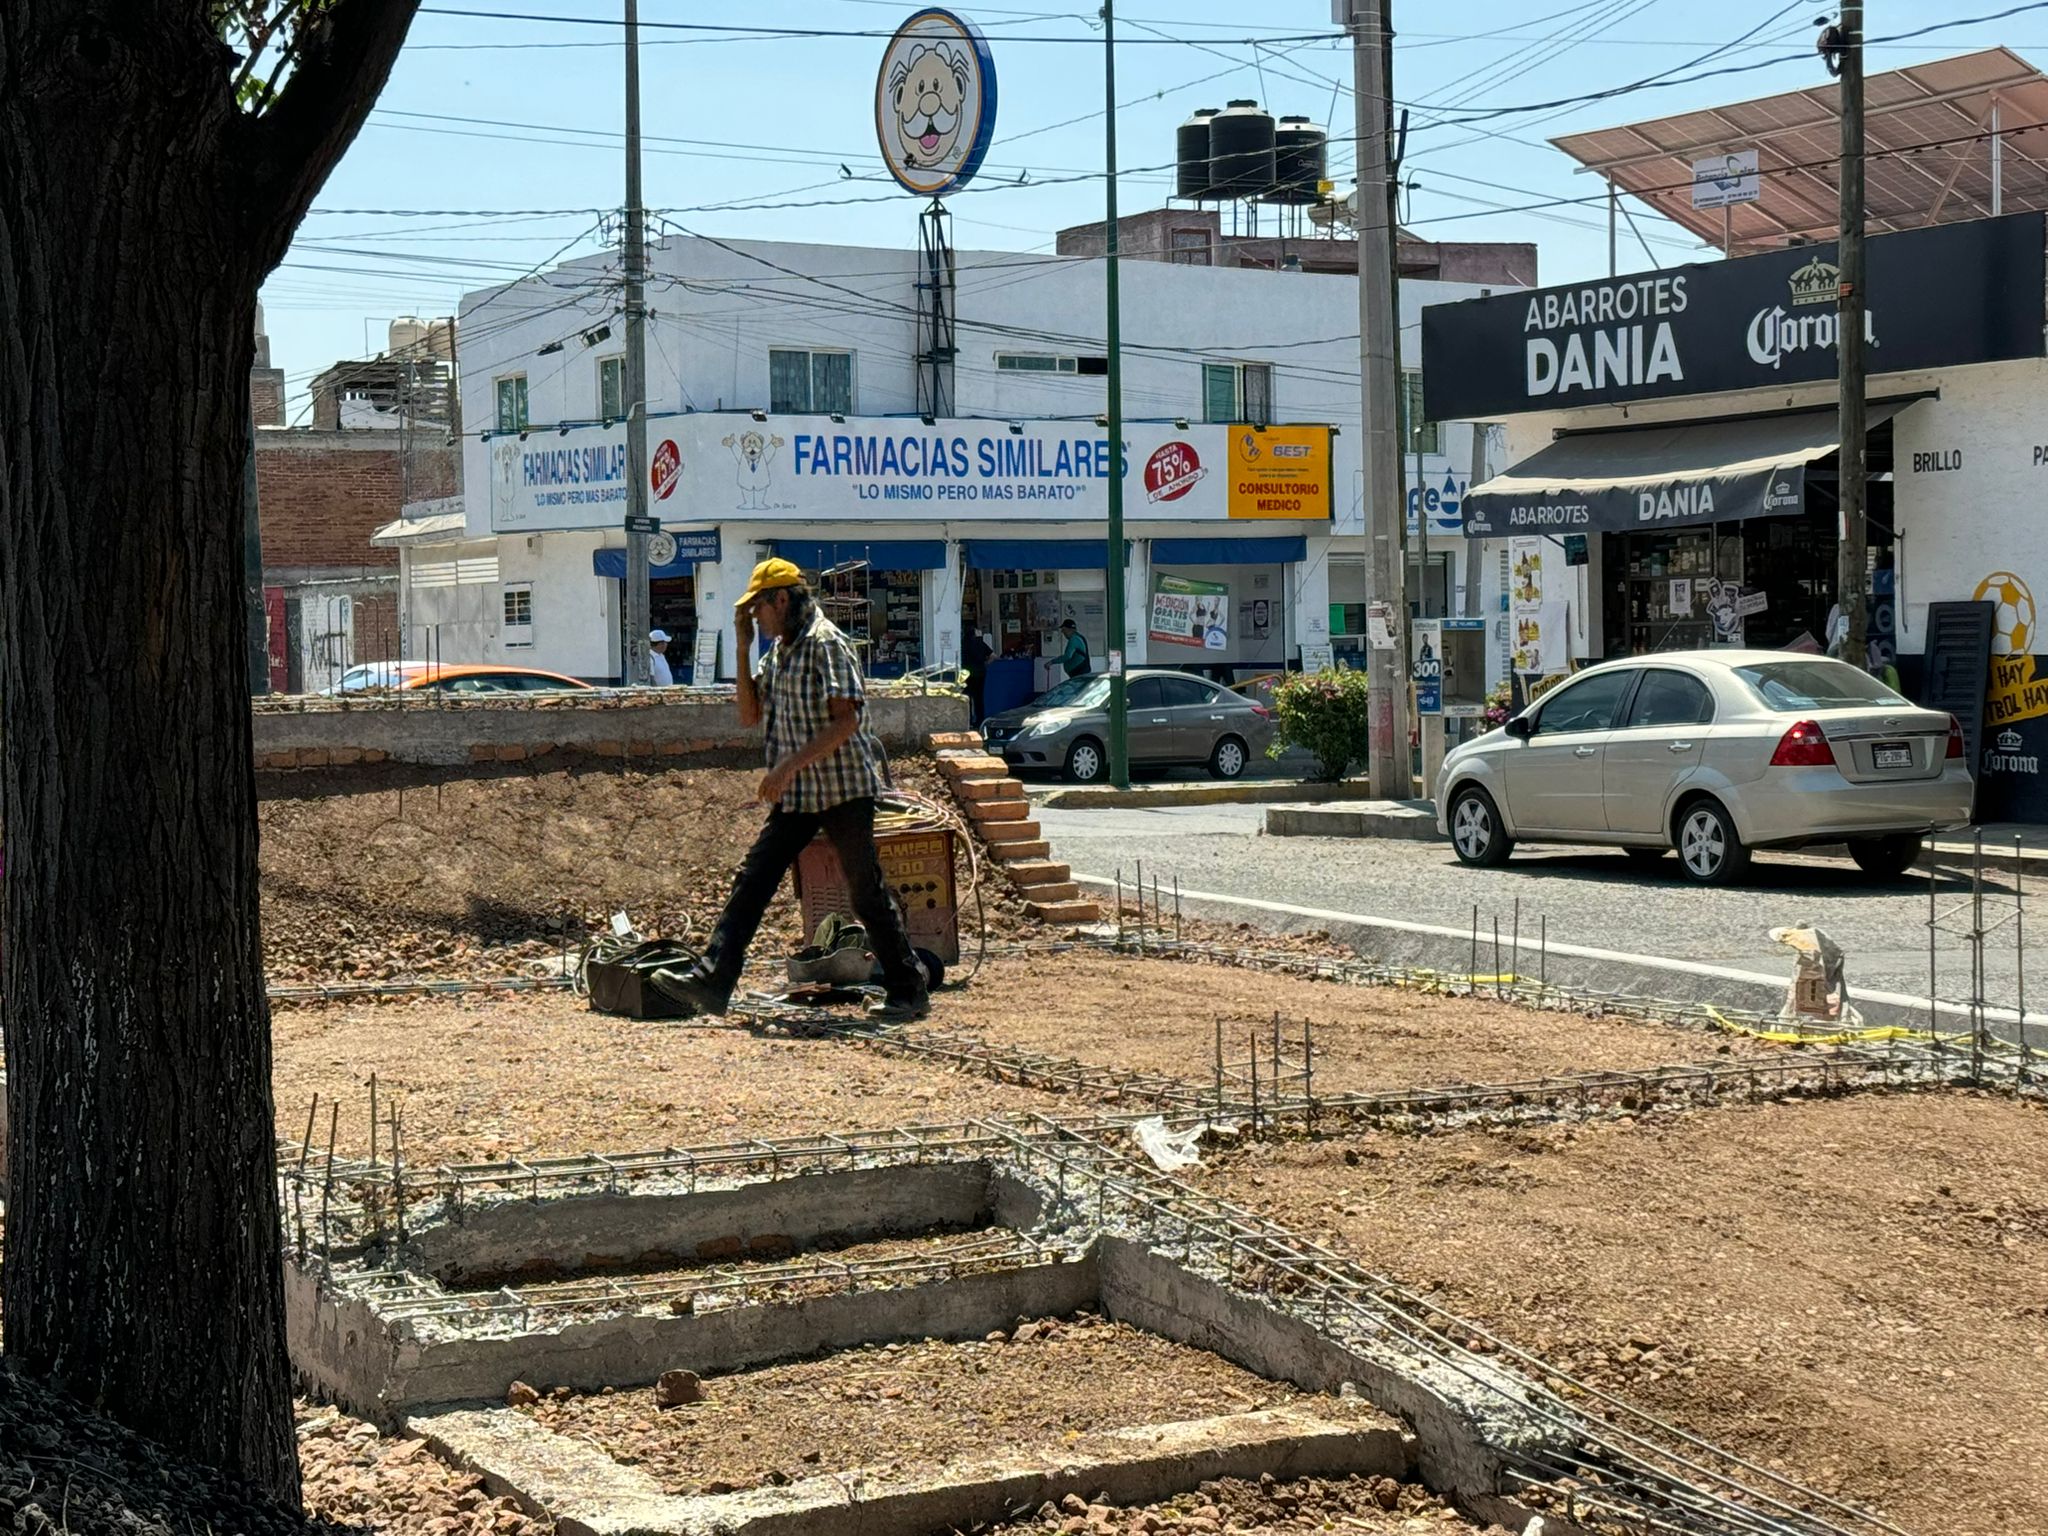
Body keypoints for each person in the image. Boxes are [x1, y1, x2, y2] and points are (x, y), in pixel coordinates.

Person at [652, 558, 928, 1022]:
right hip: (800, 794)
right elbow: (748, 714)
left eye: (757, 608)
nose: (754, 617)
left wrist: (784, 768)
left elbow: (847, 721)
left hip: (843, 789)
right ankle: (713, 982)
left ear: (781, 599)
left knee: (865, 893)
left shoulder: (827, 644)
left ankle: (908, 989)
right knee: (754, 879)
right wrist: (740, 650)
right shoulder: (778, 652)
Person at [962, 627, 994, 726]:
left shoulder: (964, 644)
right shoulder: (981, 643)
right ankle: (980, 720)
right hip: (981, 673)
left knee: (967, 697)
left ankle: (969, 719)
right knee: (979, 698)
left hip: (967, 674)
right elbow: (994, 656)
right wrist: (986, 664)